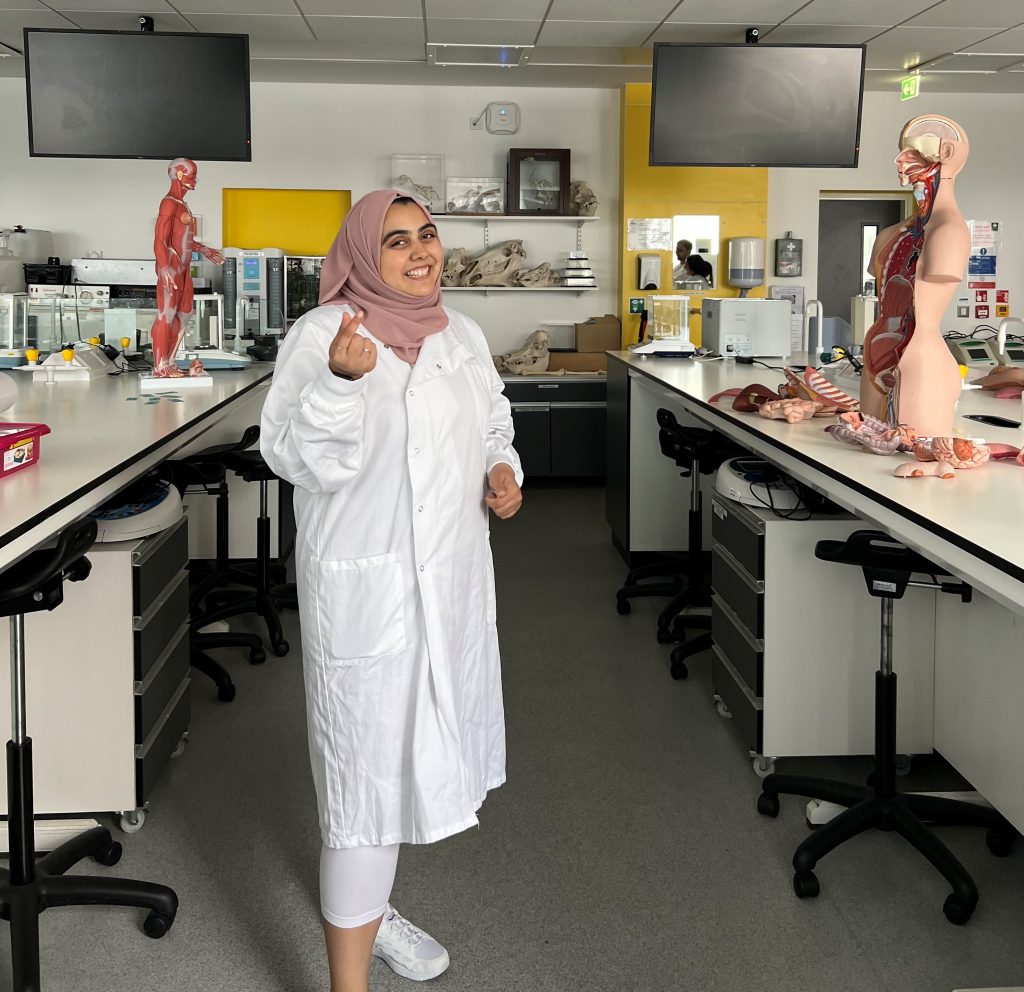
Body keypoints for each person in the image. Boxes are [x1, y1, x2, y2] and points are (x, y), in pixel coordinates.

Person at [260, 190, 523, 992]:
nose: (419, 252)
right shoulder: (322, 334)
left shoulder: (462, 333)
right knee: (362, 785)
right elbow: (294, 458)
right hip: (365, 587)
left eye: (429, 236)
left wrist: (501, 470)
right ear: (363, 255)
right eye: (397, 240)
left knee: (415, 762)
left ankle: (374, 914)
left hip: (447, 586)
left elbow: (492, 421)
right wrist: (340, 384)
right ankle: (349, 982)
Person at [151, 158, 223, 376]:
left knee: (184, 313)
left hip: (183, 268)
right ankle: (160, 365)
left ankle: (169, 361)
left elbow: (183, 239)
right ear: (180, 176)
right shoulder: (169, 203)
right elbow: (159, 240)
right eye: (193, 176)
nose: (195, 180)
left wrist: (204, 250)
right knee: (166, 313)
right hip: (171, 266)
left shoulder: (182, 204)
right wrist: (164, 269)